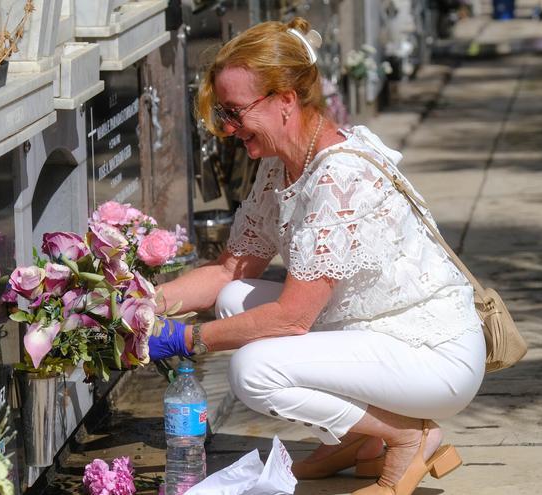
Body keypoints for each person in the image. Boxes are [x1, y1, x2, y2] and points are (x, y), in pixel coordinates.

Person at [148, 17, 486, 495]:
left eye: (233, 111)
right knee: (233, 296)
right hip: (375, 329)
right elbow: (229, 271)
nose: (225, 129)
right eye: (220, 114)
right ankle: (357, 440)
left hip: (431, 354)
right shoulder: (279, 165)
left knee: (253, 370)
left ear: (286, 100)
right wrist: (141, 305)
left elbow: (291, 320)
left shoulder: (336, 178)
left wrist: (187, 339)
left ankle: (408, 435)